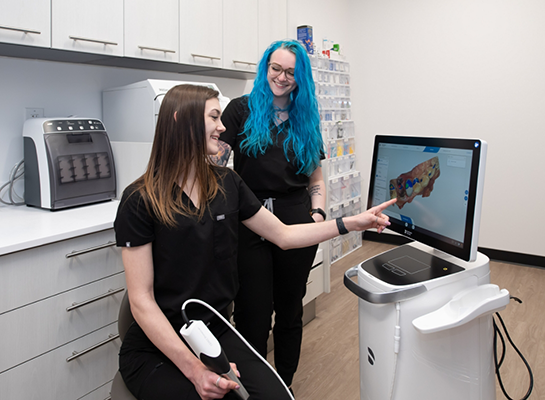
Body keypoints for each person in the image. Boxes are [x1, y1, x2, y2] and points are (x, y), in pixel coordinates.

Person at [114, 83, 394, 400]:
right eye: (214, 117)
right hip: (156, 346)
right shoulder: (140, 200)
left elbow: (284, 235)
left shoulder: (227, 184)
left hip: (215, 331)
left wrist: (351, 223)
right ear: (181, 121)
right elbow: (141, 301)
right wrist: (195, 369)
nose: (223, 127)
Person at [211, 39, 326, 389]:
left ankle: (284, 385)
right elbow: (215, 159)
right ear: (265, 69)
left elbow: (315, 174)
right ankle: (257, 386)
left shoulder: (305, 117)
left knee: (291, 311)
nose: (282, 76)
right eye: (275, 68)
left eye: (291, 72)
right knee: (252, 314)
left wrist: (318, 213)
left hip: (296, 219)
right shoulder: (240, 110)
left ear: (300, 77)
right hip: (250, 220)